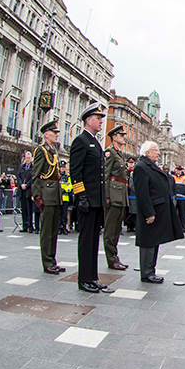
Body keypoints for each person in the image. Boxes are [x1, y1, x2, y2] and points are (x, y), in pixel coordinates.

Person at [70, 103, 114, 294]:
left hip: (96, 200)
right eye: (98, 118)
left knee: (93, 242)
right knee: (86, 240)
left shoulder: (95, 142)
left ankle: (92, 277)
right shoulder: (81, 141)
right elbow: (76, 172)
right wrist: (81, 196)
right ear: (88, 120)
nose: (101, 122)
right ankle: (84, 279)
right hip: (87, 199)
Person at [133, 141, 184, 283]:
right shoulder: (141, 167)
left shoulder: (150, 166)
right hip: (150, 211)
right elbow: (142, 193)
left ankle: (150, 270)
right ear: (148, 152)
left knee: (154, 241)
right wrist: (148, 212)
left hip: (157, 209)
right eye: (155, 150)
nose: (158, 153)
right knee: (148, 243)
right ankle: (146, 272)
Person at [33, 120, 65, 274]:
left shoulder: (53, 150)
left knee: (53, 230)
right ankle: (47, 262)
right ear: (46, 135)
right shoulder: (41, 150)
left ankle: (52, 260)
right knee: (46, 231)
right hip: (47, 193)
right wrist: (37, 195)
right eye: (54, 133)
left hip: (55, 193)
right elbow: (36, 174)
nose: (57, 135)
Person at [102, 125, 130, 271]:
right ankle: (111, 259)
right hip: (113, 195)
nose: (123, 137)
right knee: (110, 230)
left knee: (117, 228)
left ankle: (115, 257)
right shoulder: (109, 153)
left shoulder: (119, 154)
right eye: (121, 135)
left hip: (120, 195)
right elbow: (105, 177)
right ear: (114, 137)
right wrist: (106, 196)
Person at [18, 152, 34, 232]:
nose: (27, 159)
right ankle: (24, 226)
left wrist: (27, 185)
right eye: (26, 158)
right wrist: (21, 184)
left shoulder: (33, 167)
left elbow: (33, 179)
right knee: (23, 209)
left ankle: (30, 226)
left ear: (31, 159)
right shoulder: (21, 167)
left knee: (29, 209)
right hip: (22, 191)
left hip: (29, 191)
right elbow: (19, 177)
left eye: (29, 158)